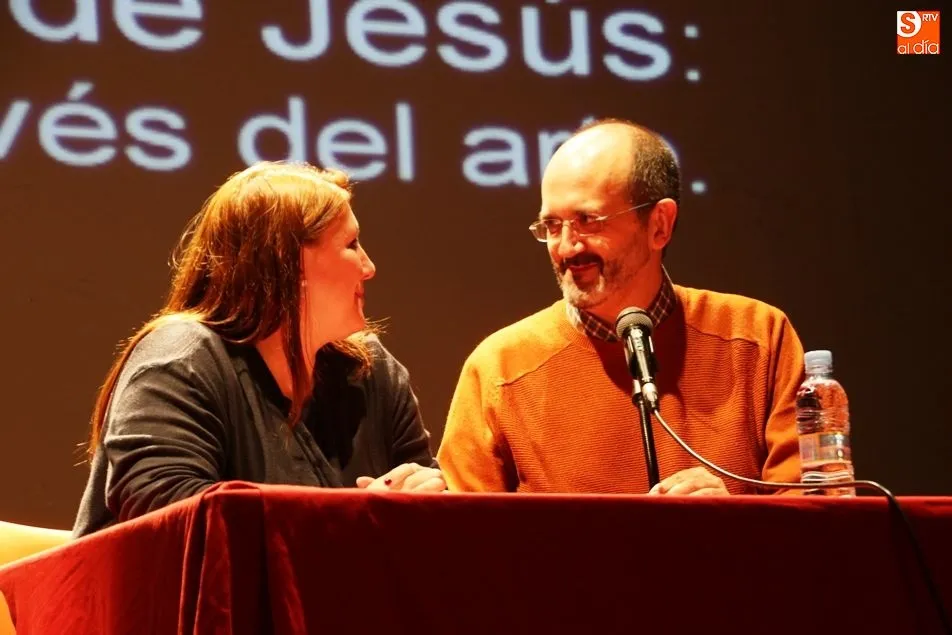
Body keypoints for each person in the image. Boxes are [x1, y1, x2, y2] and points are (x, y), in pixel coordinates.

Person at [74, 162, 443, 537]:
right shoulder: (182, 358)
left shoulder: (374, 373)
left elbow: (438, 524)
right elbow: (167, 519)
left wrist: (428, 499)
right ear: (290, 262)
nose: (369, 267)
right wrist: (356, 520)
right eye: (351, 245)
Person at [437, 119, 804, 495]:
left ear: (659, 225)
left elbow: (815, 515)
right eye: (552, 225)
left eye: (587, 221)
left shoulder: (758, 337)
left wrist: (732, 519)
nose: (567, 247)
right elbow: (461, 528)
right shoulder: (499, 368)